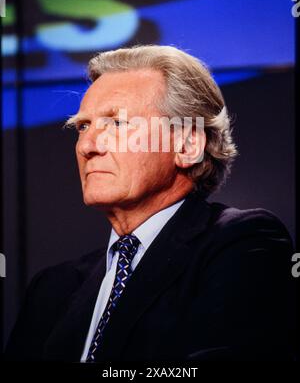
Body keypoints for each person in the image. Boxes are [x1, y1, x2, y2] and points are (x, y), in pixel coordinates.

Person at [4, 45, 295, 361]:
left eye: (117, 123)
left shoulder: (242, 246)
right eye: (83, 126)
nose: (87, 145)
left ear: (187, 144)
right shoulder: (51, 289)